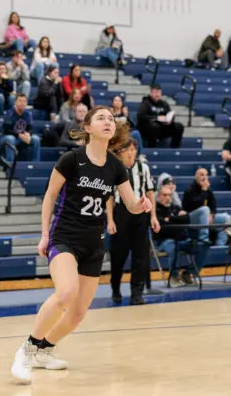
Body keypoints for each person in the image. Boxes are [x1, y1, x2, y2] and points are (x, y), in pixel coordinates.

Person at [10, 106, 152, 383]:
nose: (108, 122)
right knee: (66, 292)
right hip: (64, 238)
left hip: (94, 243)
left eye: (111, 119)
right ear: (87, 127)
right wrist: (44, 234)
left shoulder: (116, 167)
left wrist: (140, 205)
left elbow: (132, 204)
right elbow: (50, 196)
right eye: (101, 118)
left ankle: (44, 350)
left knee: (77, 314)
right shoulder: (71, 159)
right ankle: (26, 350)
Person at [107, 138, 157, 305]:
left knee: (141, 256)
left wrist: (153, 216)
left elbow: (150, 193)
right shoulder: (115, 169)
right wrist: (110, 220)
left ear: (136, 151)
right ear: (121, 152)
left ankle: (137, 294)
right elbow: (109, 198)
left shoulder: (144, 168)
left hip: (141, 215)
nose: (129, 152)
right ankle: (115, 289)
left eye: (132, 149)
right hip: (121, 213)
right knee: (118, 256)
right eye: (126, 149)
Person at [152, 182, 207, 286]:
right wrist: (177, 222)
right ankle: (173, 276)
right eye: (164, 195)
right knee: (173, 245)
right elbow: (162, 228)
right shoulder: (155, 211)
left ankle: (188, 273)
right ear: (158, 196)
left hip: (181, 239)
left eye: (170, 195)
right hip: (163, 241)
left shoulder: (175, 207)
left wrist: (171, 220)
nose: (168, 198)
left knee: (203, 244)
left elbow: (186, 219)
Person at [136, 84, 184, 149]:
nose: (157, 94)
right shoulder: (145, 103)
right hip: (147, 128)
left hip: (161, 127)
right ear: (151, 93)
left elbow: (170, 114)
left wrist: (169, 120)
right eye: (155, 92)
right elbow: (141, 116)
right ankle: (152, 148)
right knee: (153, 126)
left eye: (159, 92)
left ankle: (175, 148)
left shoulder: (164, 104)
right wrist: (157, 118)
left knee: (179, 126)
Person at [2, 93, 41, 163]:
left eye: (24, 101)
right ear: (15, 102)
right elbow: (6, 130)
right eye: (20, 101)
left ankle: (35, 163)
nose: (22, 103)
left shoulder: (28, 114)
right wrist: (19, 135)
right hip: (9, 137)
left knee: (36, 139)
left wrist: (28, 134)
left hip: (23, 137)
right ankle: (10, 166)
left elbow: (31, 128)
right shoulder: (9, 113)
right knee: (10, 139)